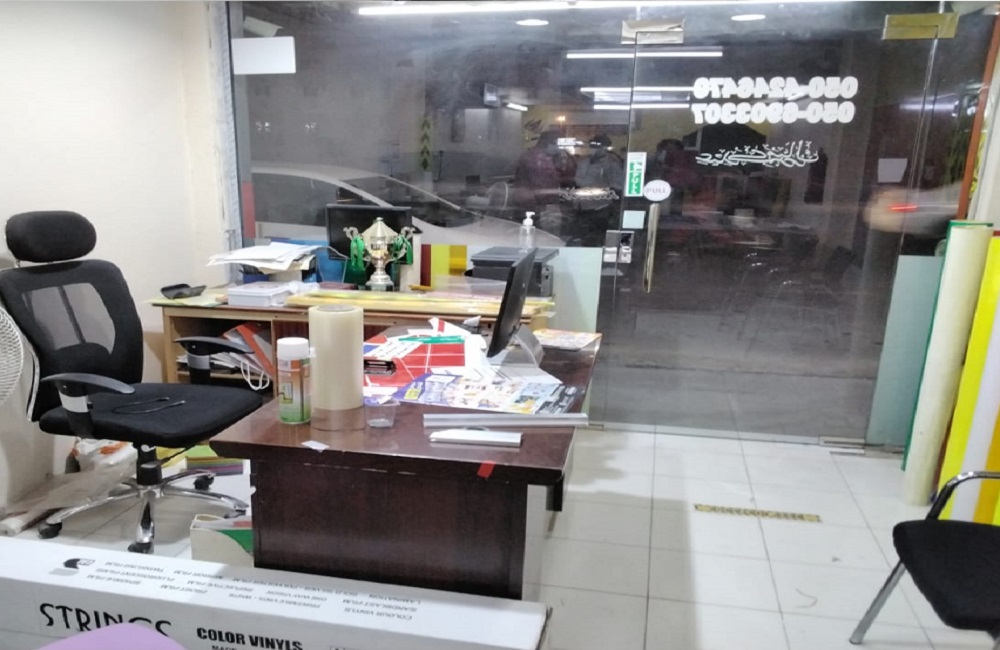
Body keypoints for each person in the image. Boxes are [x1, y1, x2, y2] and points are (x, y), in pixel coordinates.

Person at [513, 130, 562, 212]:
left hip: (530, 201)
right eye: (555, 143)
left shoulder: (532, 155)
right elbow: (541, 185)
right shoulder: (539, 158)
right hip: (537, 203)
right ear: (546, 142)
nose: (557, 146)